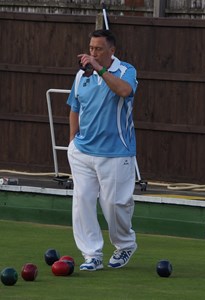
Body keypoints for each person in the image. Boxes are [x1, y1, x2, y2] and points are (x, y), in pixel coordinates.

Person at [67, 29, 138, 271]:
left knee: (115, 204)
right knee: (83, 202)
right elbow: (74, 106)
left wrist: (99, 68)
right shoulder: (81, 75)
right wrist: (72, 141)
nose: (92, 53)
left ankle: (125, 245)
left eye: (98, 49)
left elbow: (124, 91)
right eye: (91, 48)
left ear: (112, 51)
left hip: (116, 152)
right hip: (83, 152)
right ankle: (92, 254)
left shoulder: (126, 71)